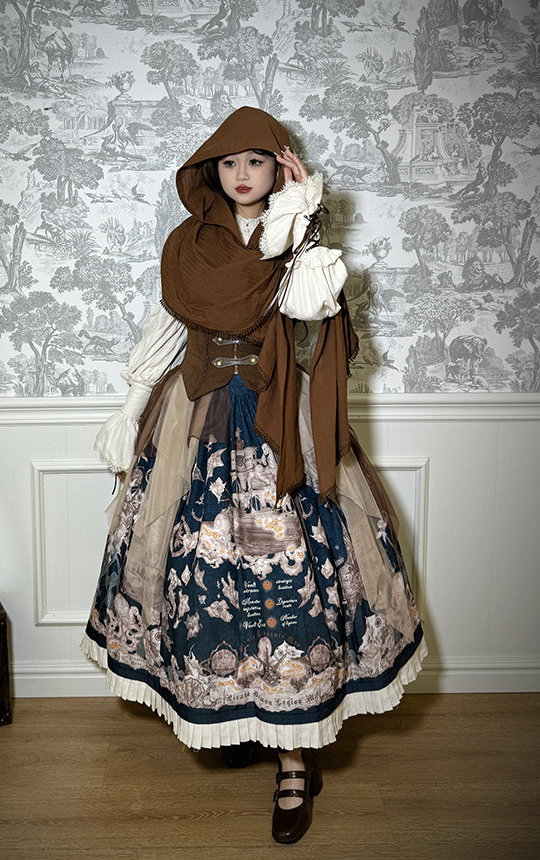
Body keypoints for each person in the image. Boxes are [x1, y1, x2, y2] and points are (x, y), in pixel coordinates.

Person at [82, 106, 426, 845]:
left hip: (276, 422)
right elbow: (168, 325)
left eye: (257, 161)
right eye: (230, 162)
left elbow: (313, 306)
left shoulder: (295, 237)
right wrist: (130, 405)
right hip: (197, 419)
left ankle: (295, 757)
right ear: (211, 170)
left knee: (284, 577)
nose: (242, 174)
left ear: (280, 166)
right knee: (201, 575)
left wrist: (300, 215)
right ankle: (240, 710)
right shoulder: (189, 245)